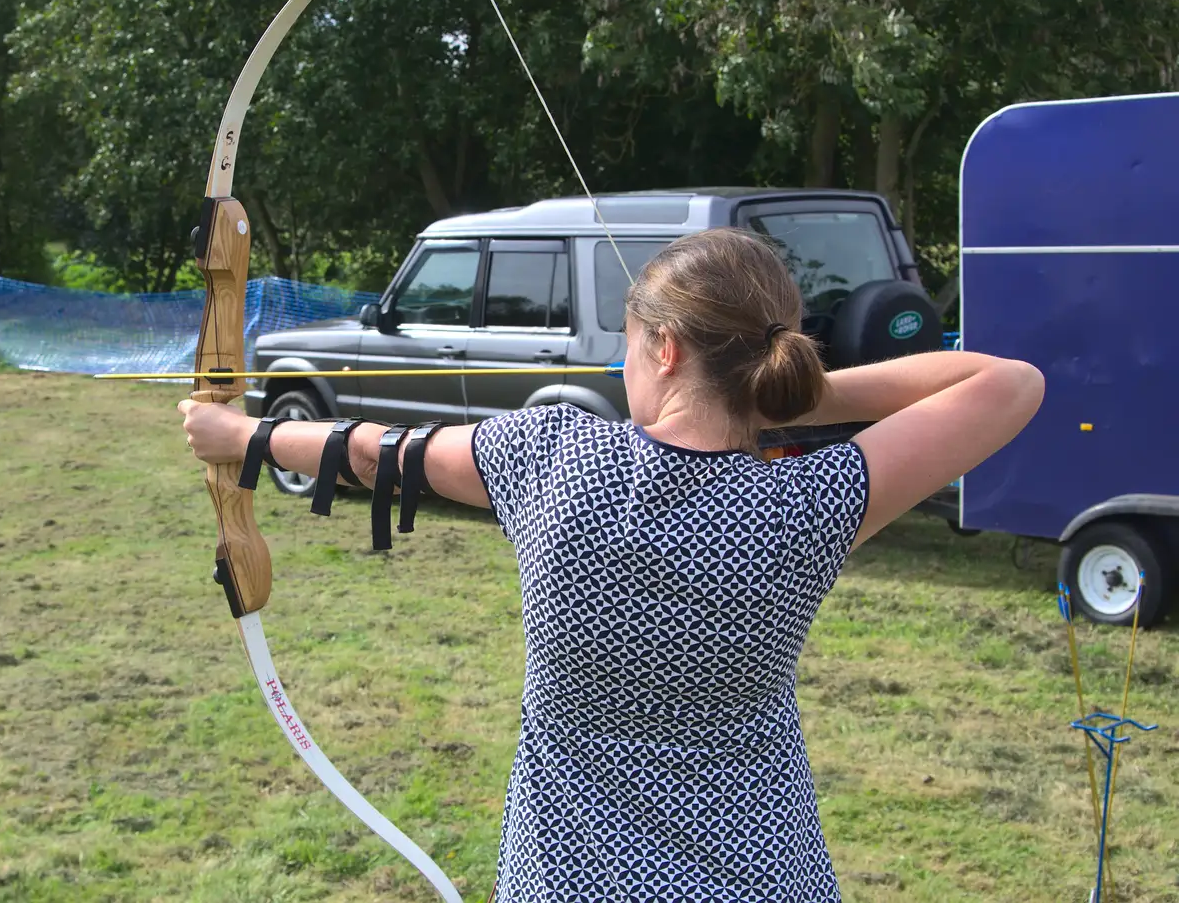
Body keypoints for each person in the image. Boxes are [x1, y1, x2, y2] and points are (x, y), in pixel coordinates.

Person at [178, 227, 1044, 902]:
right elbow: (1011, 384)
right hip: (767, 872)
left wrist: (241, 435)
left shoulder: (552, 454)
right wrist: (797, 394)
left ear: (665, 349)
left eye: (631, 342)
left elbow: (376, 452)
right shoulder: (809, 503)